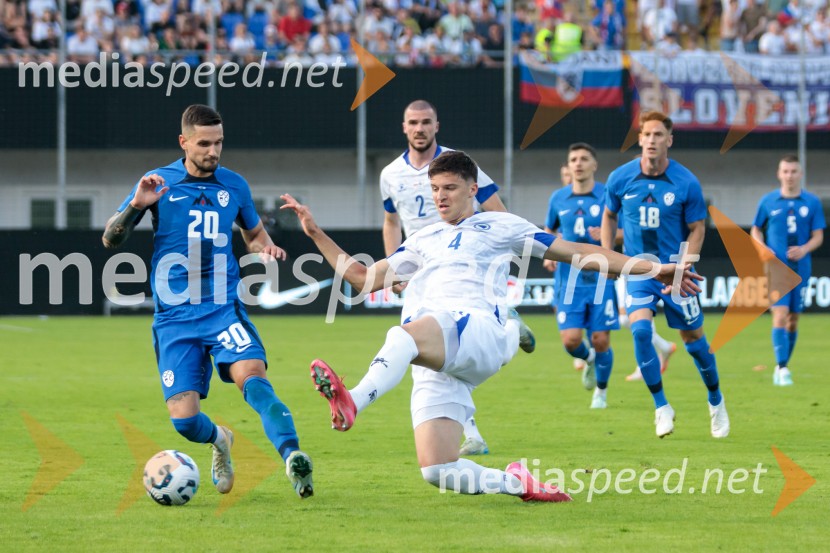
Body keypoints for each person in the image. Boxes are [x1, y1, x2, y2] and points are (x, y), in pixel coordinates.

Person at [281, 150, 701, 501]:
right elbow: (361, 278)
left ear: (472, 189)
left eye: (449, 188)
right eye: (434, 189)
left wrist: (655, 269)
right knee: (437, 469)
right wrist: (316, 233)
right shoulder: (423, 239)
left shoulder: (503, 225)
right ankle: (518, 482)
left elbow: (577, 251)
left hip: (480, 330)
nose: (440, 197)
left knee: (401, 334)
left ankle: (352, 399)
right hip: (438, 352)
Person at [102, 104, 313, 499]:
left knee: (253, 378)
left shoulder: (234, 185)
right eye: (203, 143)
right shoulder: (157, 182)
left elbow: (254, 235)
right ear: (183, 142)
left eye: (218, 143)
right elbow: (110, 239)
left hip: (221, 310)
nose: (212, 151)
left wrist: (265, 248)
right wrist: (137, 205)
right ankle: (221, 440)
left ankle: (293, 457)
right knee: (184, 421)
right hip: (175, 319)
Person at [380, 99, 508, 457]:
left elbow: (497, 210)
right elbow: (391, 222)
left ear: (437, 125)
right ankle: (469, 431)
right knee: (430, 356)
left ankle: (506, 328)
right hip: (419, 268)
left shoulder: (460, 164)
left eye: (426, 122)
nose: (419, 128)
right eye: (412, 122)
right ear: (404, 127)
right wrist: (392, 268)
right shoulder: (390, 174)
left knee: (426, 349)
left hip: (459, 268)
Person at [601, 110, 730, 439]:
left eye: (659, 135)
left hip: (676, 270)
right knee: (641, 332)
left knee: (694, 342)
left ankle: (715, 400)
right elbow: (608, 216)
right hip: (639, 269)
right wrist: (609, 257)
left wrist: (686, 263)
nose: (652, 140)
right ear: (640, 139)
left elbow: (698, 227)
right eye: (647, 135)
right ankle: (661, 406)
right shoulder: (620, 178)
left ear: (669, 140)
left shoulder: (686, 181)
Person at [544, 143, 619, 409]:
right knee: (571, 340)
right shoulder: (558, 198)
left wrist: (611, 236)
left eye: (584, 158)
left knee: (601, 339)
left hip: (600, 279)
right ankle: (587, 359)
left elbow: (623, 230)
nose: (578, 163)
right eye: (573, 158)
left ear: (594, 165)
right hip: (570, 282)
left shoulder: (607, 195)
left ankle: (601, 391)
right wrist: (550, 252)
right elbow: (549, 230)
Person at [750, 155, 825, 386]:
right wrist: (762, 249)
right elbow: (755, 229)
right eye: (785, 171)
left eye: (793, 171)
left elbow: (818, 236)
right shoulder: (768, 201)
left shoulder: (811, 202)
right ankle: (782, 368)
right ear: (779, 174)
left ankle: (782, 365)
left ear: (800, 174)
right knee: (780, 316)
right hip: (776, 269)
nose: (789, 175)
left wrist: (804, 249)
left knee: (793, 320)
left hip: (801, 268)